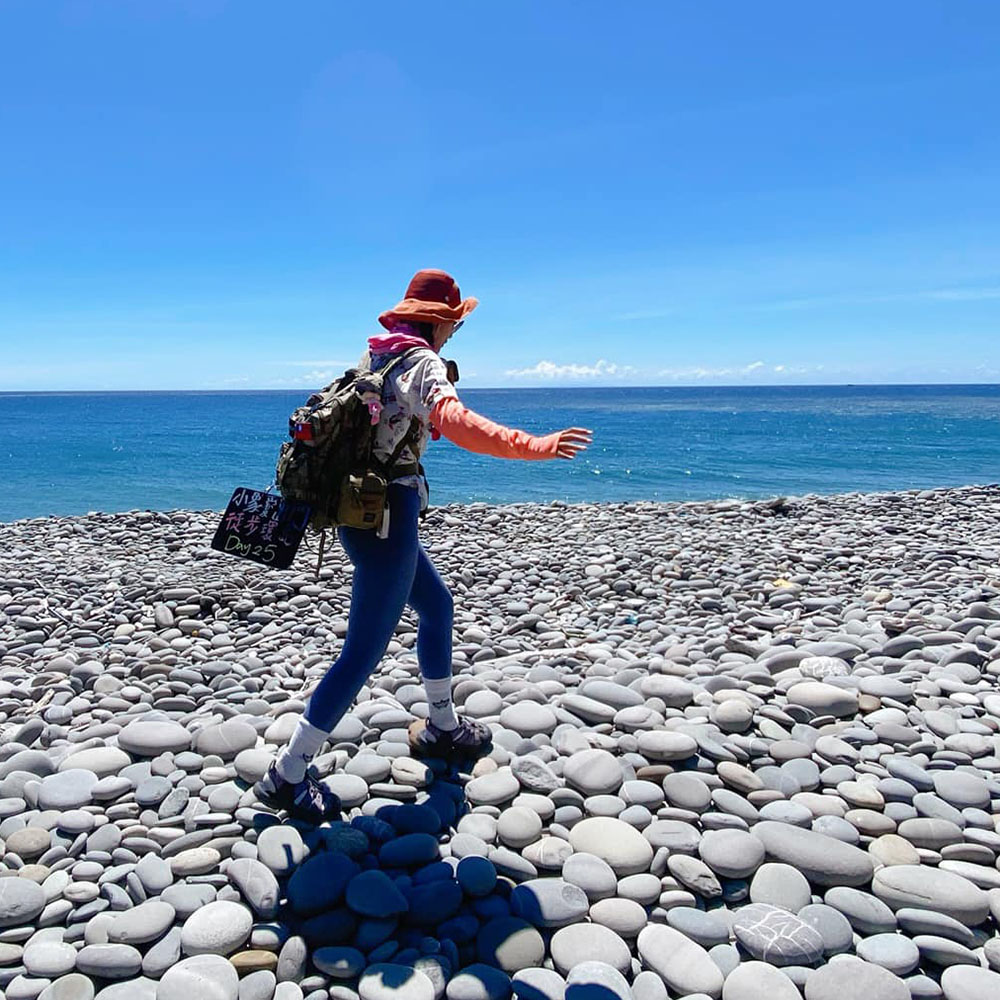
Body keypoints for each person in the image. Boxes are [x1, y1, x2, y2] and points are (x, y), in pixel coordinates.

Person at [255, 269, 592, 822]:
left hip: (361, 513)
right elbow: (454, 422)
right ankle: (287, 774)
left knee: (437, 607)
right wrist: (534, 446)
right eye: (454, 325)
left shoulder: (377, 360)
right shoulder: (420, 363)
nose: (454, 335)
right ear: (440, 321)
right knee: (363, 651)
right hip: (388, 517)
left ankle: (441, 725)